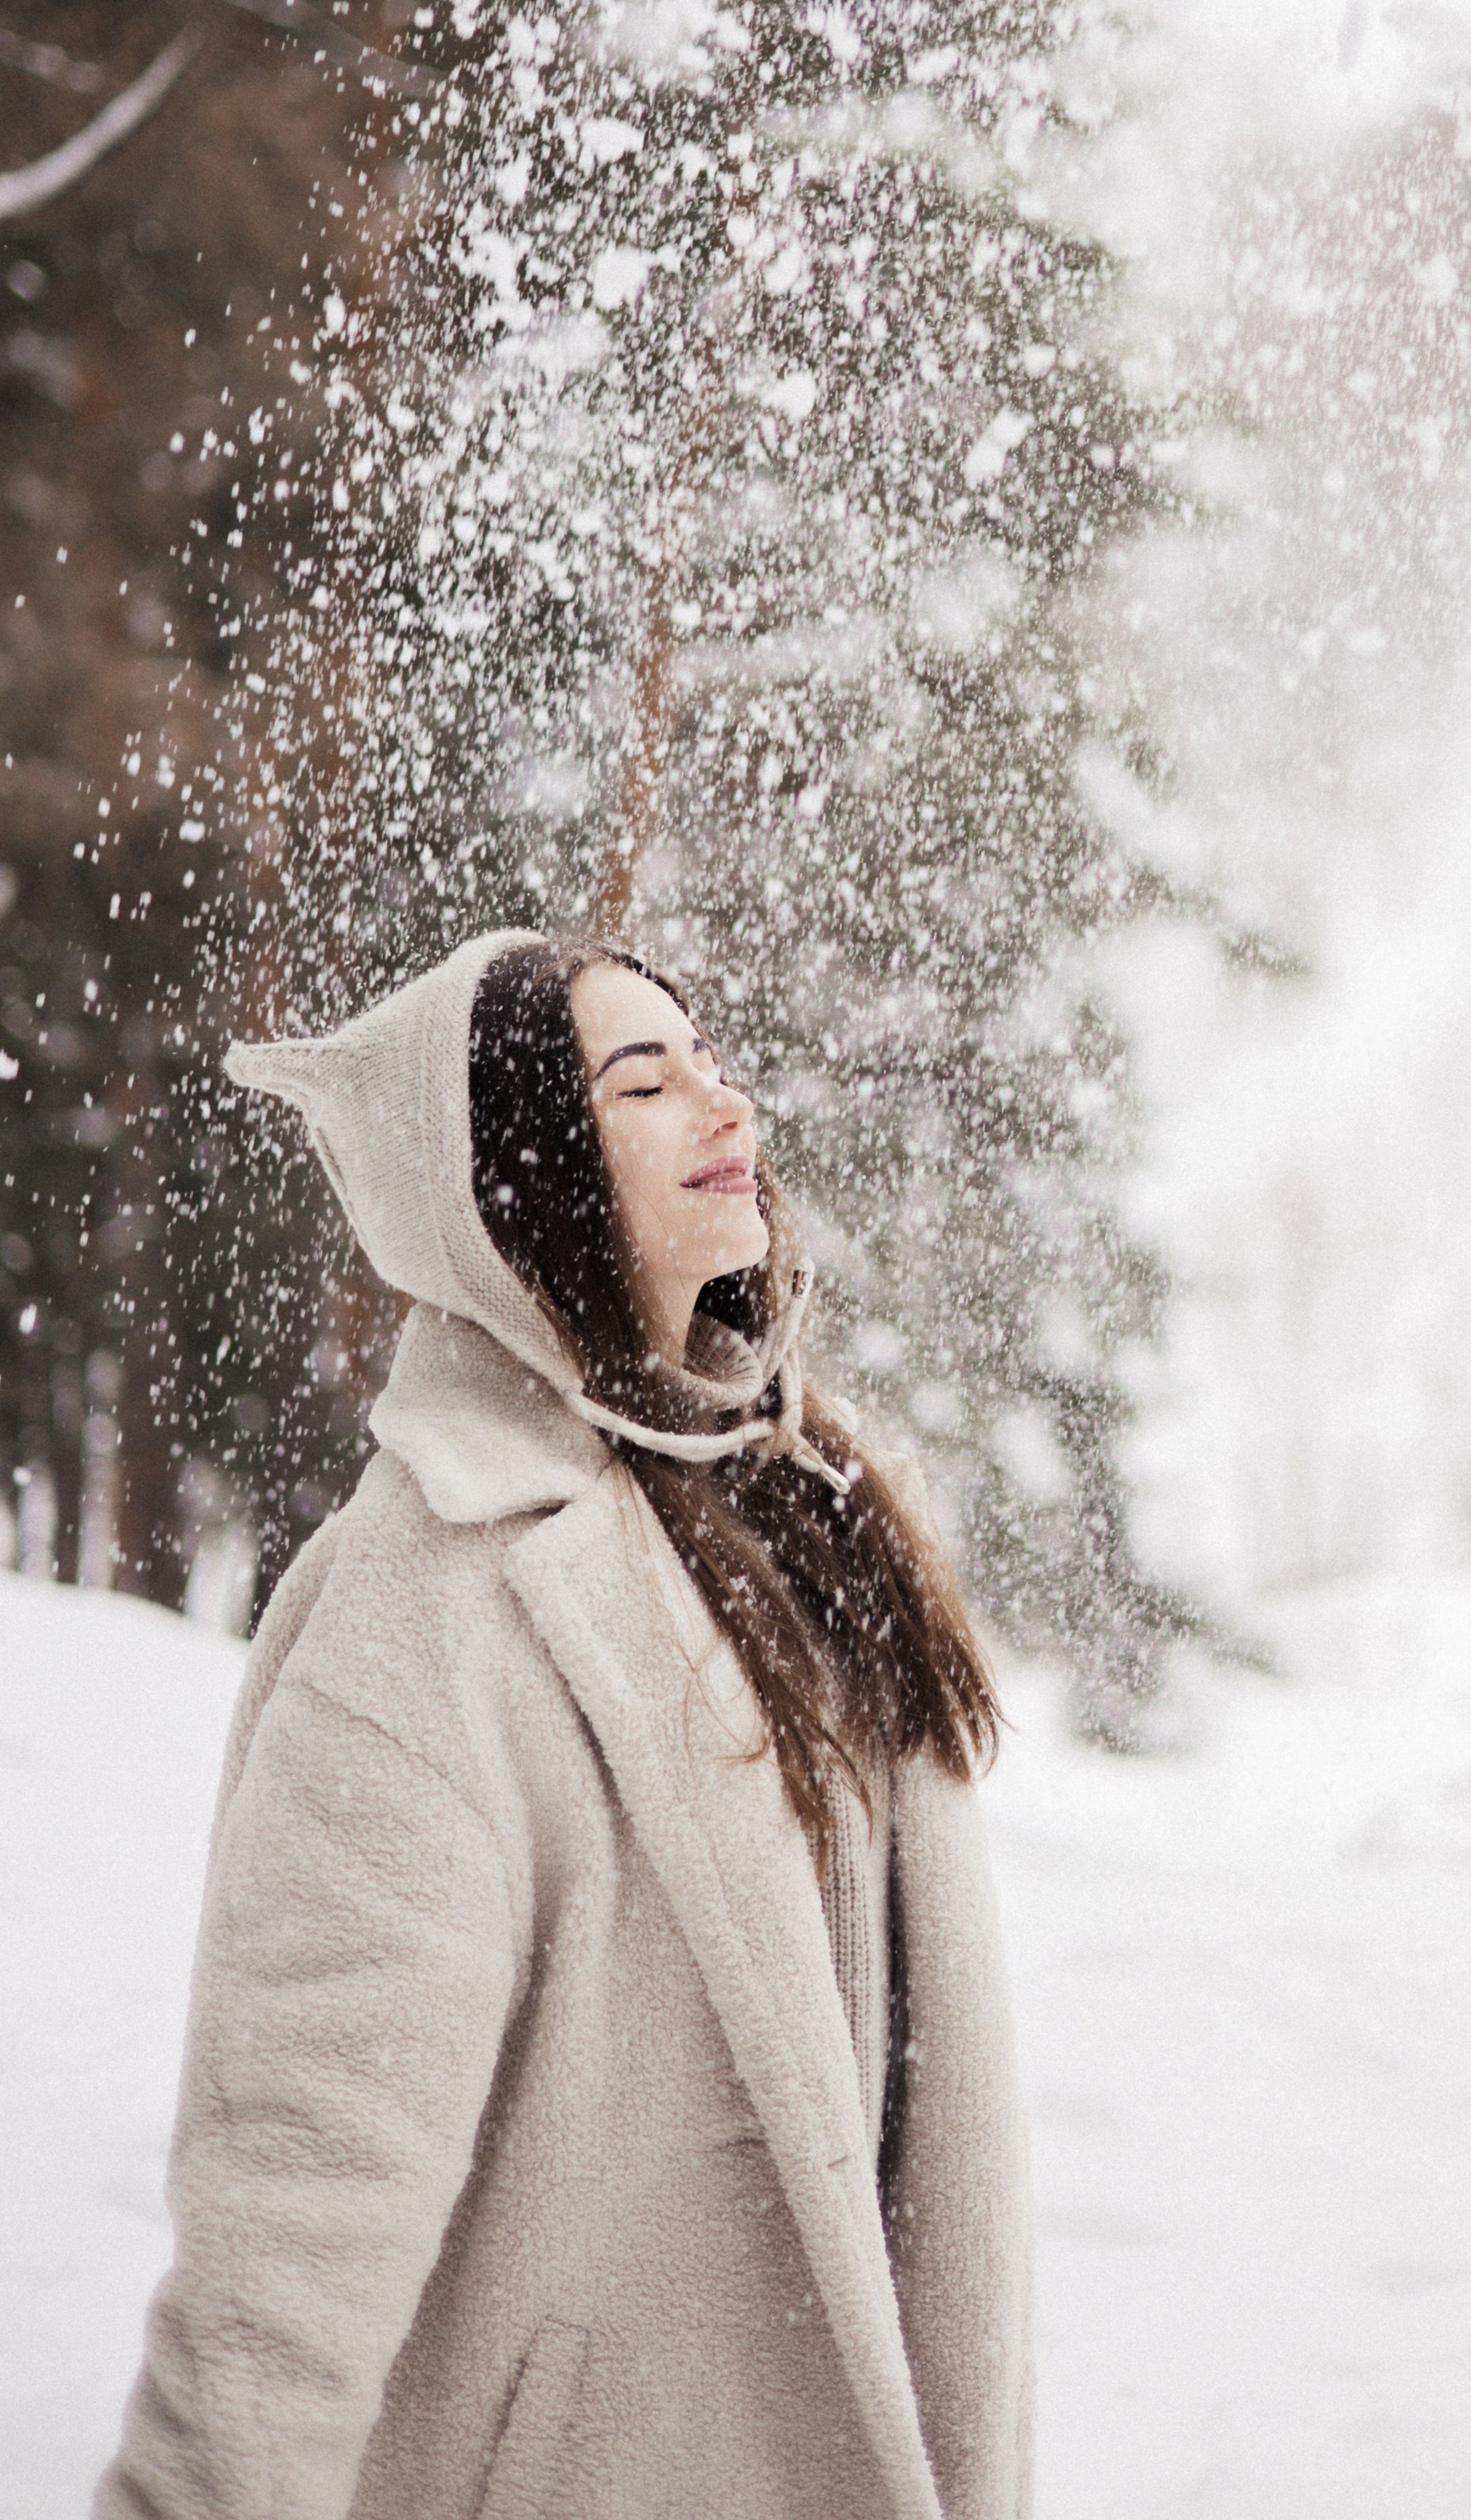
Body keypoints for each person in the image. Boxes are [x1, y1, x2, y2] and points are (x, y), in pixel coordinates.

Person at [95, 929, 1032, 2520]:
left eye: (711, 1059)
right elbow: (289, 2243)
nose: (719, 1103)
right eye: (641, 1081)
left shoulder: (807, 1505)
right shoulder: (426, 1610)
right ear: (511, 1184)